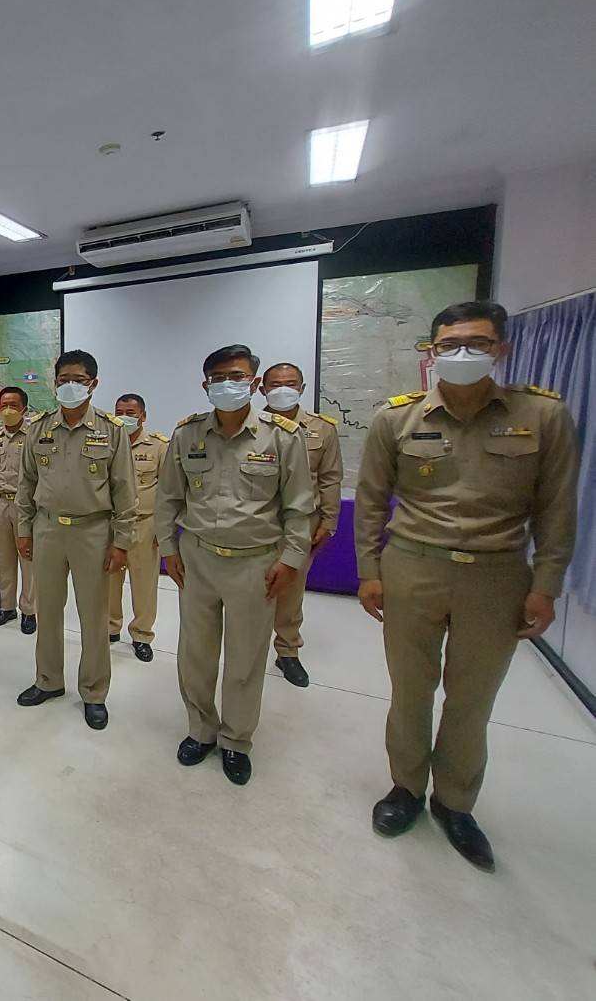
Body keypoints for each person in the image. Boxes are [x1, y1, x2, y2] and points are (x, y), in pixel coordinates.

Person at [356, 301, 578, 871]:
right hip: (413, 567)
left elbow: (557, 509)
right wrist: (370, 571)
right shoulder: (396, 419)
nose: (462, 354)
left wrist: (545, 584)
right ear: (431, 351)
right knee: (410, 689)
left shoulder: (542, 416)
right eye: (449, 343)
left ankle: (455, 802)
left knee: (473, 698)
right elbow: (373, 503)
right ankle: (405, 788)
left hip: (498, 573)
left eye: (477, 343)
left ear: (500, 349)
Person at [157, 345, 314, 785]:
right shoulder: (187, 435)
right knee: (196, 653)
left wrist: (291, 559)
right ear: (205, 384)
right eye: (219, 376)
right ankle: (201, 730)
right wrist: (169, 549)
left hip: (256, 564)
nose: (228, 383)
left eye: (238, 375)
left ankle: (236, 740)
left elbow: (300, 507)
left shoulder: (282, 437)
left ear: (254, 383)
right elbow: (169, 498)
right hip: (199, 560)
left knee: (245, 657)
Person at [15, 350, 137, 731]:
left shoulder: (111, 429)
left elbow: (125, 491)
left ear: (93, 384)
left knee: (93, 616)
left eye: (79, 380)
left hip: (93, 532)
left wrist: (122, 541)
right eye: (64, 379)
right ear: (55, 382)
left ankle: (94, 691)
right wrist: (23, 529)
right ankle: (48, 680)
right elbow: (26, 484)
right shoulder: (38, 428)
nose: (70, 386)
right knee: (47, 610)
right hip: (48, 529)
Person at [259, 362, 344, 688]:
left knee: (291, 591)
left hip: (303, 522)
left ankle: (287, 651)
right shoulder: (250, 425)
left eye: (290, 383)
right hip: (257, 521)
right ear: (262, 389)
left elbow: (331, 477)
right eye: (276, 383)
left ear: (302, 388)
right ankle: (248, 650)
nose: (283, 389)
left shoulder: (321, 429)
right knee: (252, 591)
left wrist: (330, 521)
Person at [105, 393, 169, 662]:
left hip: (145, 524)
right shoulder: (105, 443)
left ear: (143, 415)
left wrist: (163, 532)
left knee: (144, 584)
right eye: (120, 411)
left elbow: (170, 491)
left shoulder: (159, 446)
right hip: (111, 524)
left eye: (131, 412)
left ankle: (142, 635)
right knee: (108, 581)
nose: (125, 417)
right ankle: (110, 628)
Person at [0, 386, 37, 634]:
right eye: (3, 405)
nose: (8, 410)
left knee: (28, 559)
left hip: (26, 505)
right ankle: (6, 607)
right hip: (1, 503)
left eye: (13, 405)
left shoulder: (34, 436)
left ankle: (29, 610)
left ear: (24, 408)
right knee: (4, 559)